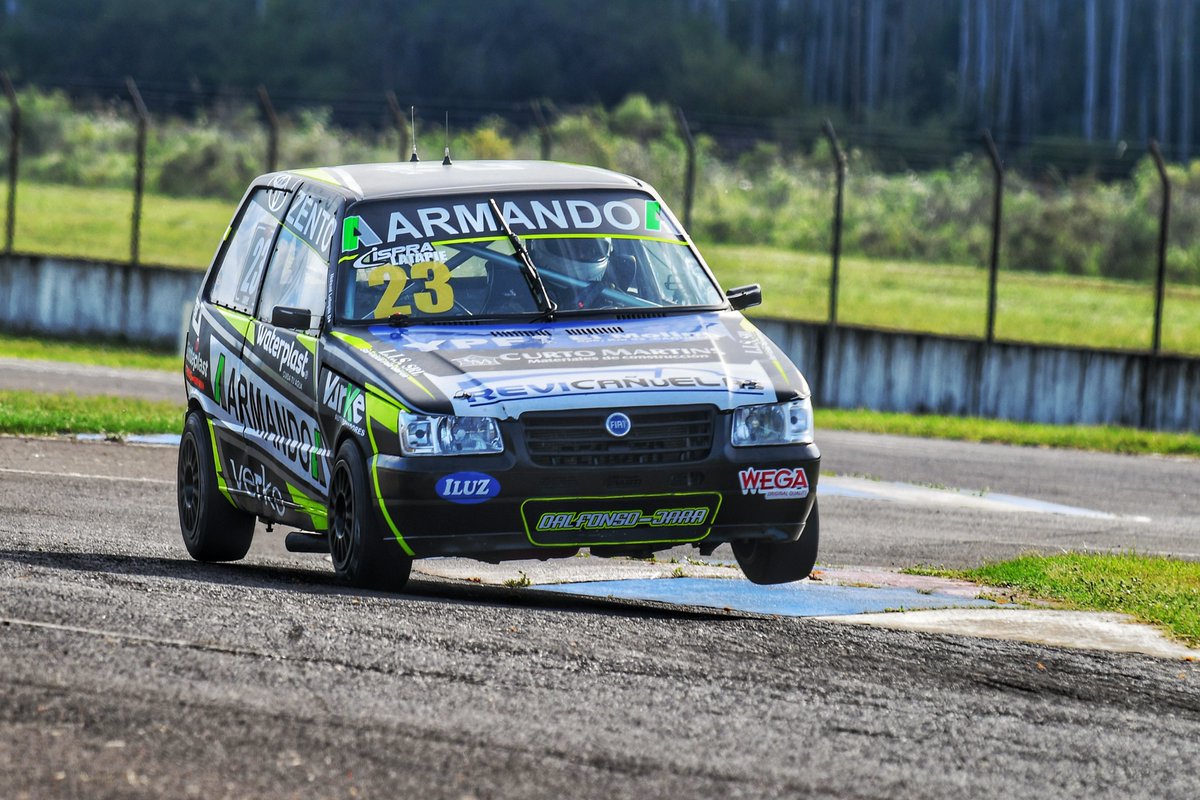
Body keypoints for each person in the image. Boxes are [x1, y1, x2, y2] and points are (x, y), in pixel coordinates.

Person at [528, 236, 614, 310]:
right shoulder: (524, 288)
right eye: (572, 248)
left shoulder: (615, 301)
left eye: (589, 248)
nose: (581, 254)